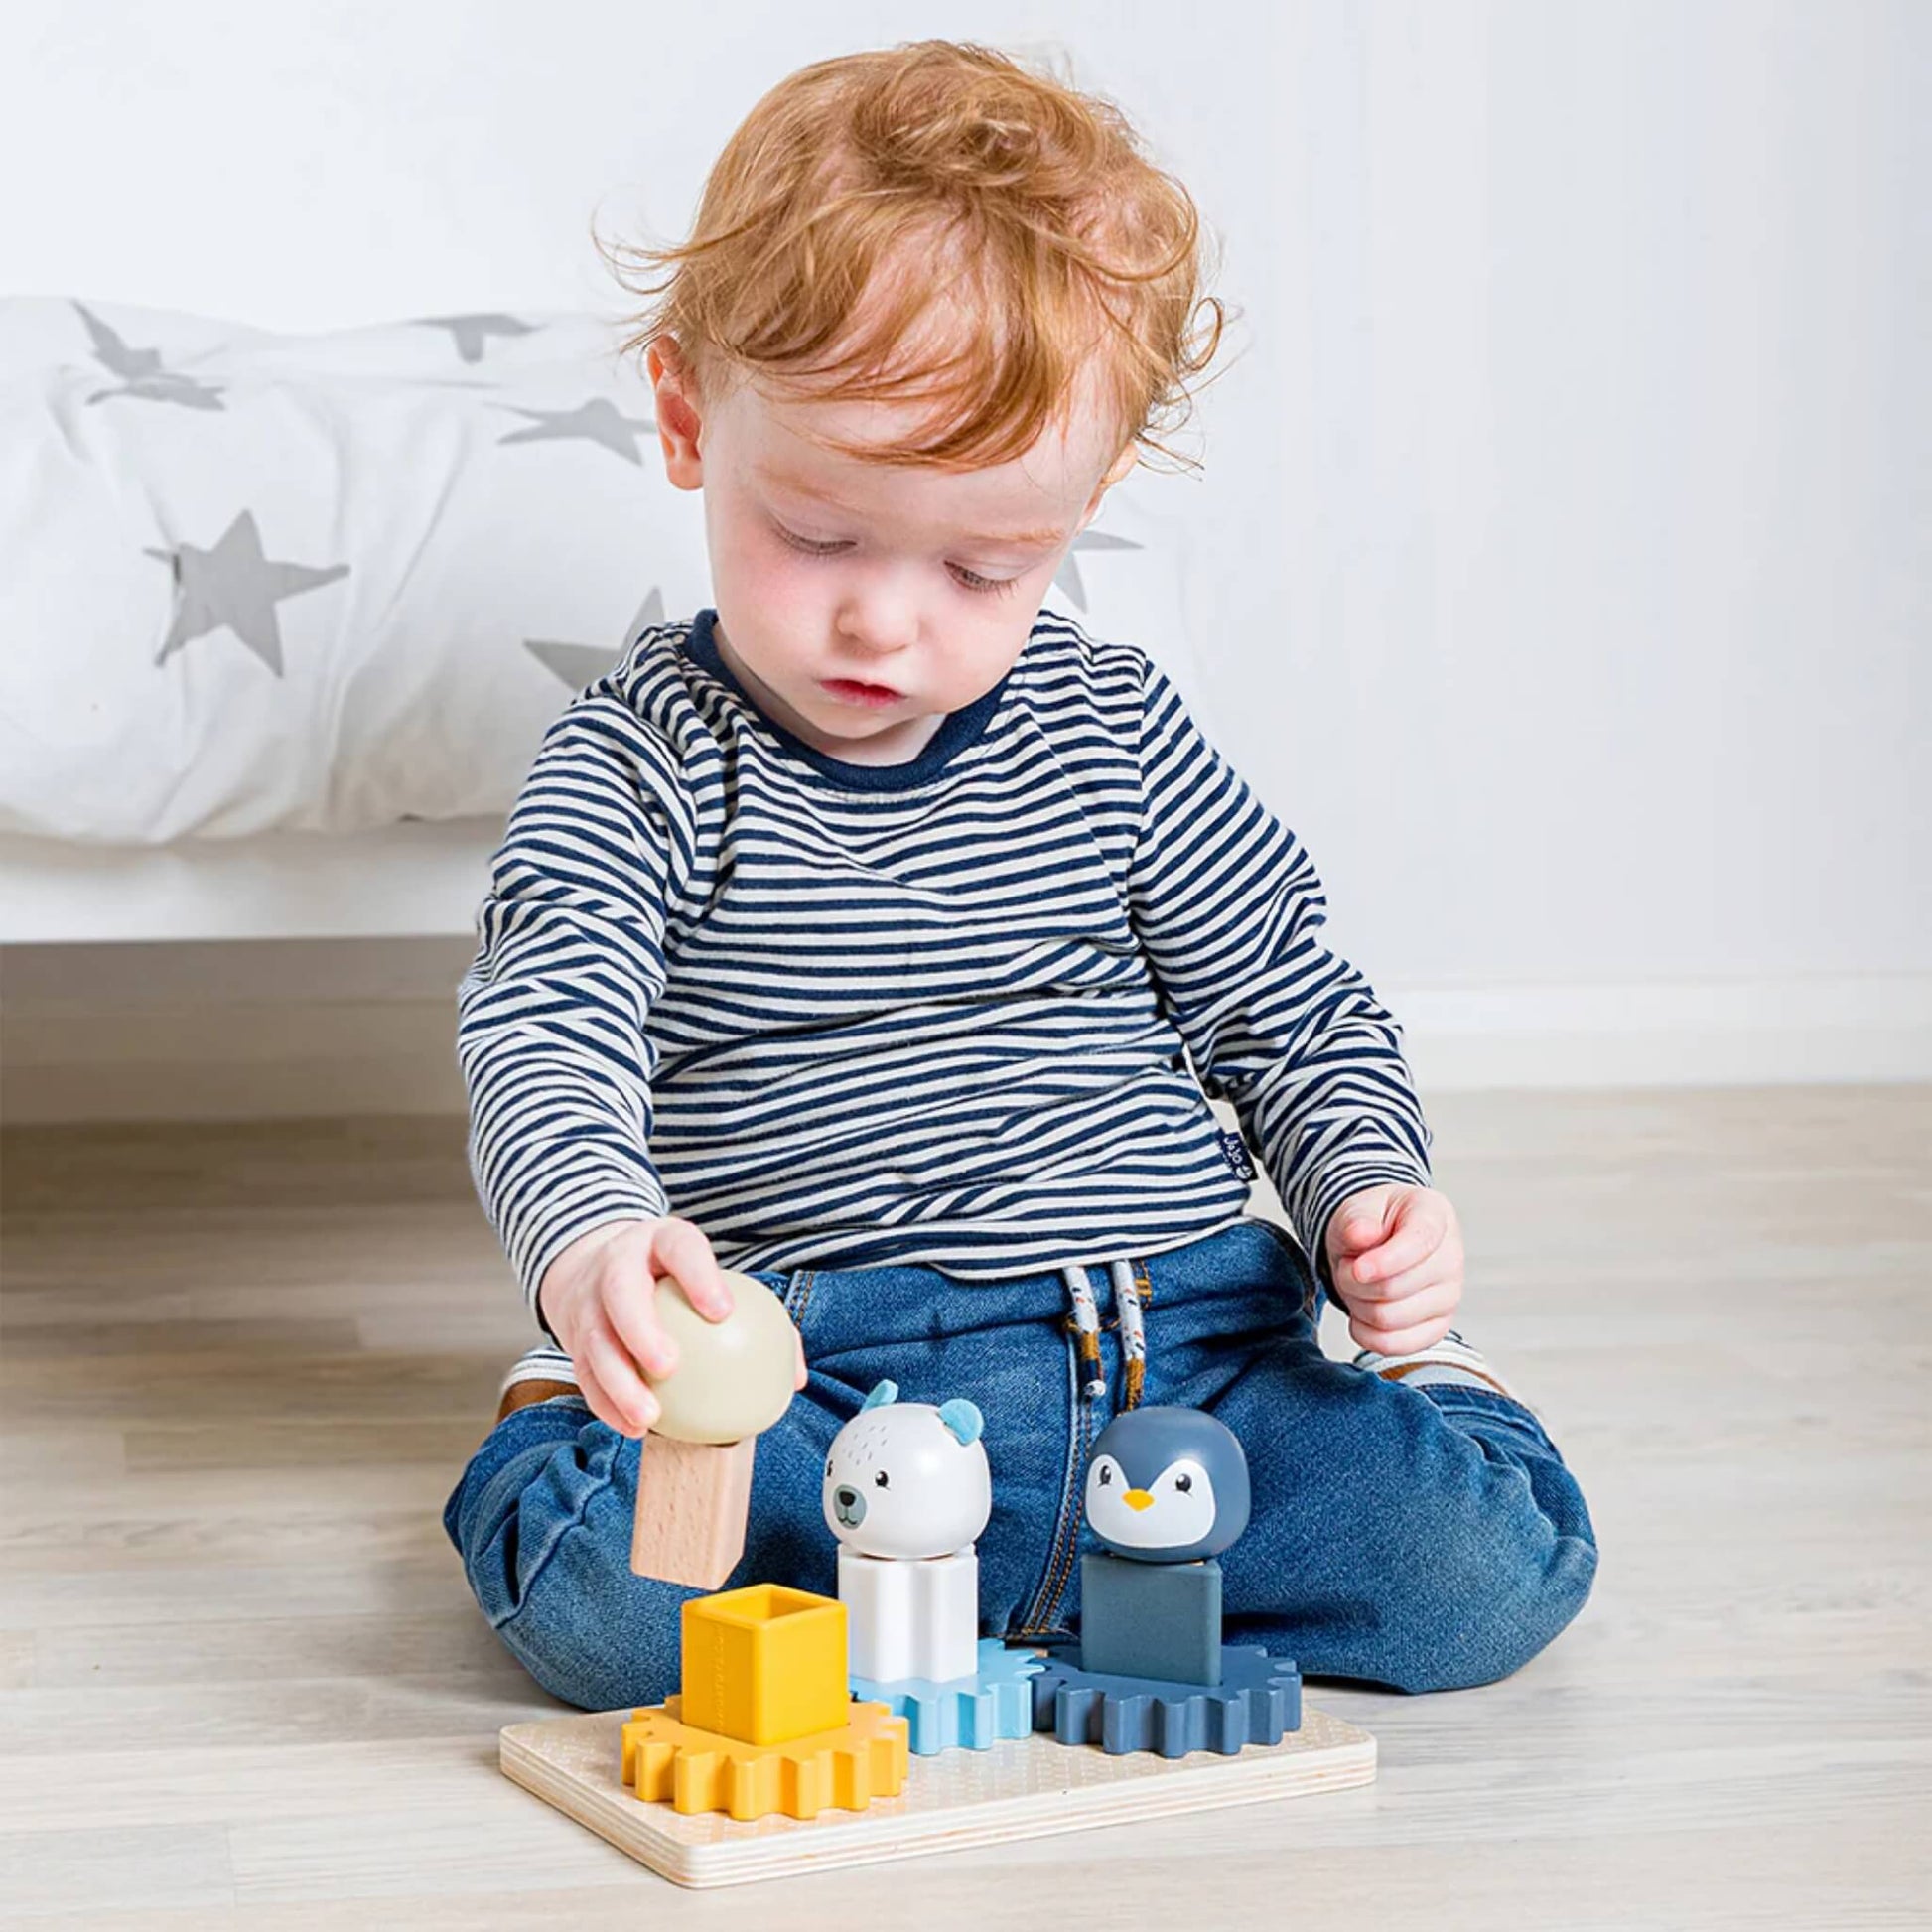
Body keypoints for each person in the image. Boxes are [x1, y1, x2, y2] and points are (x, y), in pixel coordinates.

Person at [443, 39, 1597, 1711]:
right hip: (821, 1381)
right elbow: (542, 1033)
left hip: (1179, 1353)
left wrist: (1365, 1186)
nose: (885, 620)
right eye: (821, 533)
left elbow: (1284, 997)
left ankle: (1157, 1523)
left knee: (1491, 1577)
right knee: (595, 1609)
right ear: (690, 412)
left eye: (984, 565)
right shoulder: (637, 764)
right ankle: (579, 1406)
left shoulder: (1114, 730)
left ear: (1085, 498)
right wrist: (595, 1244)